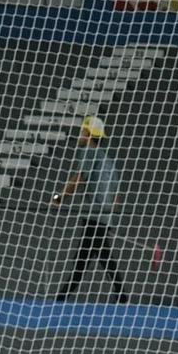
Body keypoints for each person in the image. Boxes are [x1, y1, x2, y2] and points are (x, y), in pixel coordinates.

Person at [52, 116, 127, 300]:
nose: (80, 133)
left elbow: (79, 178)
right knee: (92, 255)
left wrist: (58, 197)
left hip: (94, 215)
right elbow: (117, 197)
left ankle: (63, 296)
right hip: (105, 216)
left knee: (88, 257)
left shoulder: (88, 152)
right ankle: (64, 295)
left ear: (89, 133)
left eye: (82, 130)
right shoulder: (109, 161)